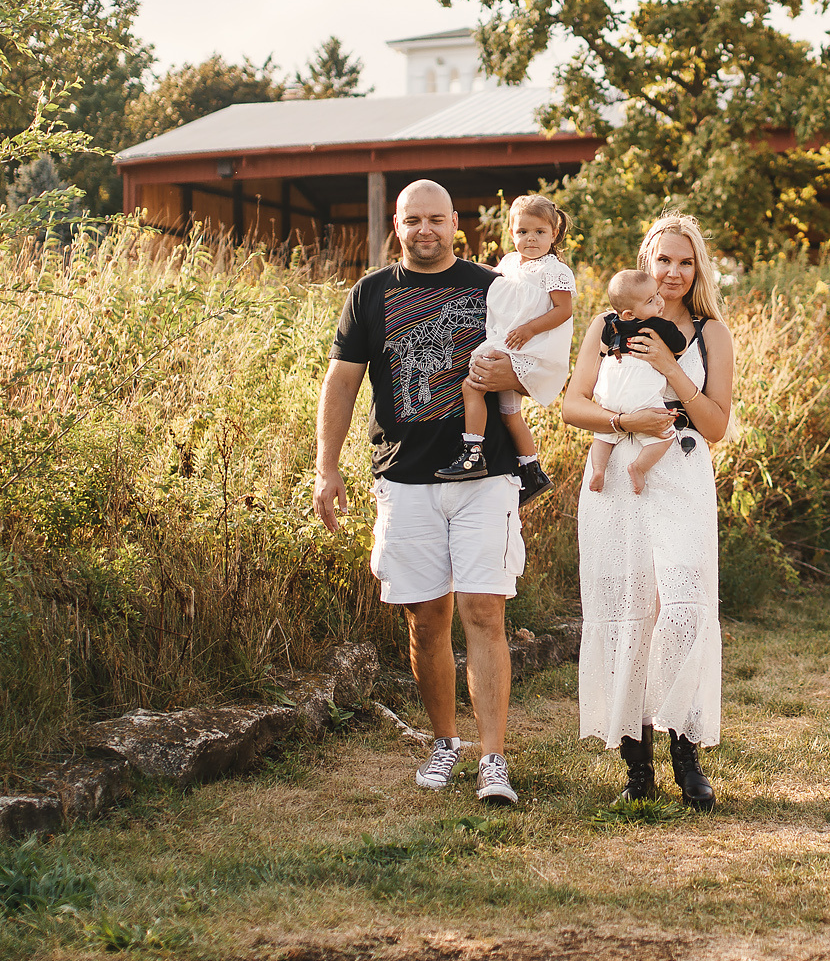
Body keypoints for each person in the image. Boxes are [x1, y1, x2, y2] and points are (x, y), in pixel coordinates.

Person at [314, 179, 520, 805]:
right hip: (403, 478)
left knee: (483, 612)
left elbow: (535, 373)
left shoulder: (495, 289)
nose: (425, 230)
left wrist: (505, 370)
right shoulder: (370, 295)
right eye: (413, 220)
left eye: (436, 219)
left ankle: (493, 760)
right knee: (426, 619)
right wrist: (327, 467)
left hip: (486, 475)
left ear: (457, 222)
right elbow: (343, 383)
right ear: (397, 225)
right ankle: (444, 742)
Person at [556, 212, 735, 811]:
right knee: (629, 608)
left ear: (698, 267)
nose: (674, 273)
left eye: (686, 262)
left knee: (681, 606)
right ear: (646, 263)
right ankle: (637, 768)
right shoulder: (607, 326)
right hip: (617, 481)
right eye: (664, 261)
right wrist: (622, 422)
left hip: (680, 473)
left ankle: (686, 755)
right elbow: (572, 406)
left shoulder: (711, 334)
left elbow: (715, 425)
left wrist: (670, 368)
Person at [437, 195, 576, 500]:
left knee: (472, 385)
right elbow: (493, 277)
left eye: (539, 232)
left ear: (553, 235)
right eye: (522, 231)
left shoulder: (554, 270)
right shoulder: (511, 262)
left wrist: (530, 328)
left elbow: (562, 310)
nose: (530, 239)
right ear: (511, 234)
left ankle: (473, 452)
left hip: (529, 346)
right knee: (509, 414)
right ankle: (532, 470)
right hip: (510, 341)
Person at [585, 268, 691, 495]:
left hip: (608, 390)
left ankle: (599, 469)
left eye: (657, 296)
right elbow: (680, 346)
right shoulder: (658, 324)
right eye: (651, 300)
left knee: (603, 435)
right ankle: (638, 468)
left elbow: (603, 350)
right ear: (629, 314)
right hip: (639, 391)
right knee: (664, 436)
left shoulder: (610, 324)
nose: (659, 303)